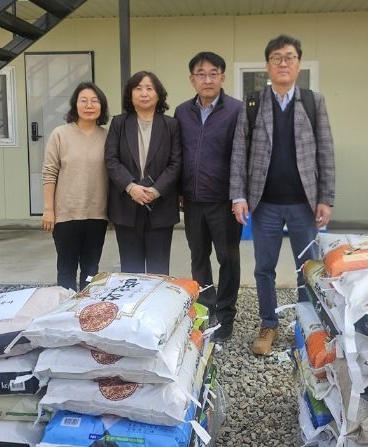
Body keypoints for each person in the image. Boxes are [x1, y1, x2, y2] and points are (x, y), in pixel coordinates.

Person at [230, 35, 336, 355]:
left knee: (308, 267)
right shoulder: (252, 104)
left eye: (289, 57)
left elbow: (326, 151)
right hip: (266, 204)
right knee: (264, 267)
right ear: (267, 65)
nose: (283, 63)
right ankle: (268, 324)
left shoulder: (313, 102)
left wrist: (326, 198)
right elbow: (239, 153)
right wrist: (238, 196)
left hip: (304, 203)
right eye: (276, 58)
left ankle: (307, 325)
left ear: (299, 64)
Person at [175, 52, 244, 342]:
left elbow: (241, 155)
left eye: (213, 73)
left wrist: (239, 196)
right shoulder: (182, 112)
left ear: (222, 77)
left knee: (228, 258)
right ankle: (206, 309)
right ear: (192, 79)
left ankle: (226, 316)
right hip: (192, 201)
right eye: (201, 74)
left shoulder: (236, 110)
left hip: (224, 201)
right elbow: (178, 153)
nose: (207, 79)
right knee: (198, 257)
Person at [105, 71, 182, 275]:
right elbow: (111, 160)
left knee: (159, 271)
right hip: (127, 205)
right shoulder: (119, 123)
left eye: (149, 88)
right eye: (138, 88)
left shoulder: (171, 125)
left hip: (161, 206)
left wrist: (155, 190)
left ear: (158, 94)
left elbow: (176, 163)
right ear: (130, 94)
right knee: (131, 271)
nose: (144, 93)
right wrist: (131, 187)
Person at [42, 81, 110, 291]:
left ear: (101, 106)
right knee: (66, 269)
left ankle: (86, 308)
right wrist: (48, 210)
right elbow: (49, 172)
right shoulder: (60, 134)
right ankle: (66, 307)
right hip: (66, 215)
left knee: (91, 270)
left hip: (97, 215)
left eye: (94, 101)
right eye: (83, 100)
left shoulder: (108, 137)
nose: (89, 105)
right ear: (75, 104)